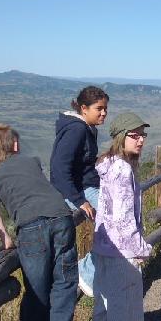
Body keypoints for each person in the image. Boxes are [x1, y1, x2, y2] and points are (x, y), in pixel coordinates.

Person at [0, 123, 79, 321]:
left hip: (31, 226)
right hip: (62, 217)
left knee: (36, 289)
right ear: (16, 145)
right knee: (65, 281)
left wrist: (5, 238)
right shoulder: (32, 161)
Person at [87, 112, 155, 321]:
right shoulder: (124, 170)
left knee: (104, 311)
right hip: (122, 253)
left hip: (104, 248)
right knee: (127, 318)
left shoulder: (108, 164)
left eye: (142, 135)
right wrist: (142, 248)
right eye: (134, 135)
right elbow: (126, 218)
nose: (140, 140)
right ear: (120, 137)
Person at [50, 86, 109, 296]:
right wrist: (79, 200)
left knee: (117, 220)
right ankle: (86, 271)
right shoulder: (77, 129)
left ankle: (96, 271)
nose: (103, 113)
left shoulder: (86, 127)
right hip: (79, 191)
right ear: (84, 108)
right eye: (99, 109)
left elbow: (82, 165)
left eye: (105, 109)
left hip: (85, 188)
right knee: (115, 221)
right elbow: (59, 169)